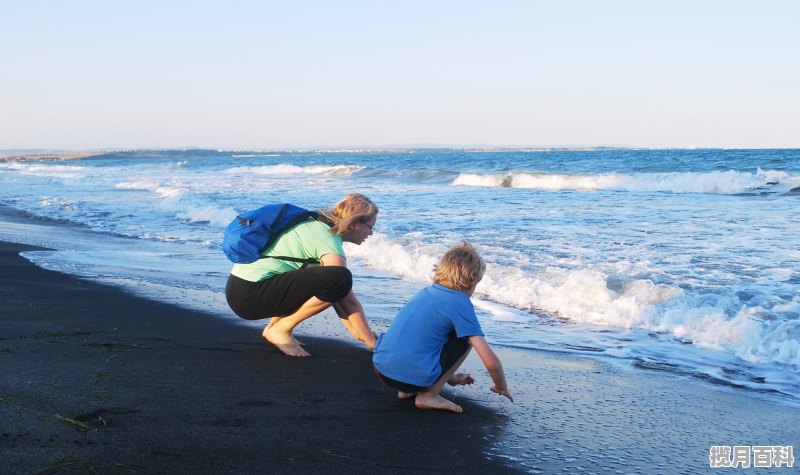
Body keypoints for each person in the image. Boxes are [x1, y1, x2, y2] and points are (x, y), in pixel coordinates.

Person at [225, 193, 379, 357]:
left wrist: (360, 333)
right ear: (354, 223)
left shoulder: (314, 224)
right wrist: (372, 343)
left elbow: (338, 296)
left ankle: (276, 328)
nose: (371, 233)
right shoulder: (327, 238)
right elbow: (344, 294)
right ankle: (281, 330)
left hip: (240, 289)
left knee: (330, 279)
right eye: (371, 227)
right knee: (340, 277)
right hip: (250, 296)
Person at [372, 241, 513, 413]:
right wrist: (501, 386)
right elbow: (491, 361)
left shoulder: (425, 292)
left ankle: (407, 391)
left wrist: (453, 379)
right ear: (473, 281)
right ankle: (429, 395)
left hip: (382, 370)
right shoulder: (461, 303)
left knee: (428, 336)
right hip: (411, 377)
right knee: (466, 340)